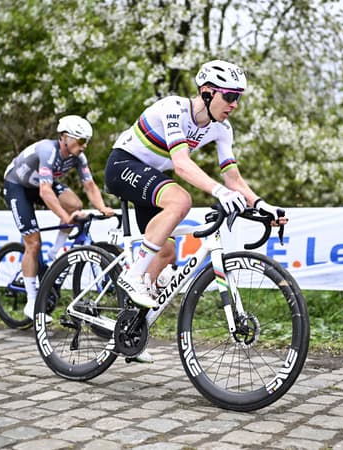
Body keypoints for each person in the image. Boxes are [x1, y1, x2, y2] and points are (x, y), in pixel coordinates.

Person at [105, 59, 286, 312]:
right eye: (230, 96)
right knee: (180, 200)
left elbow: (232, 179)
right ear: (207, 93)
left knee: (166, 252)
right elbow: (180, 164)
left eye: (239, 98)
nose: (234, 104)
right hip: (123, 165)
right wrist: (220, 192)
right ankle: (133, 275)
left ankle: (128, 329)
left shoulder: (222, 129)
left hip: (150, 175)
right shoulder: (174, 108)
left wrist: (261, 204)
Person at [3, 115, 114, 320]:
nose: (84, 146)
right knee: (33, 244)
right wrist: (65, 217)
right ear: (64, 137)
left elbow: (89, 186)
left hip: (39, 184)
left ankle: (55, 253)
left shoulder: (78, 157)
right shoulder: (48, 150)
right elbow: (46, 192)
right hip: (17, 186)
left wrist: (102, 207)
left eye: (86, 142)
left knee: (75, 205)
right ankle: (32, 301)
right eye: (80, 141)